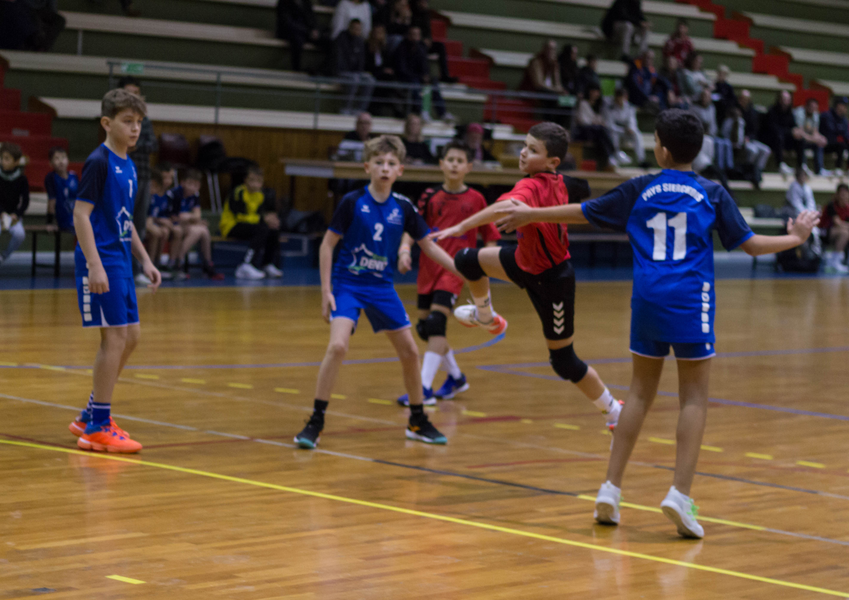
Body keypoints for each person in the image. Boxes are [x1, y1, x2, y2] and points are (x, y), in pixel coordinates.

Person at [493, 108, 820, 539]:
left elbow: (582, 212)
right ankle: (679, 495)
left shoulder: (640, 187)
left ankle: (610, 490)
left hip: (648, 298)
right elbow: (752, 246)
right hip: (690, 301)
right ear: (696, 150)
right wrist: (796, 238)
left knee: (639, 394)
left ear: (661, 148)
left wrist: (531, 215)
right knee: (694, 398)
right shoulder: (712, 192)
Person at [431, 122, 623, 433]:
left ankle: (613, 410)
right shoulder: (559, 180)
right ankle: (486, 317)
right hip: (523, 261)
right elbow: (580, 187)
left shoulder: (531, 186)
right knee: (467, 260)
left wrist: (463, 226)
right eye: (524, 145)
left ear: (552, 162)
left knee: (564, 362)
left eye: (533, 150)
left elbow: (505, 206)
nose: (523, 153)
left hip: (553, 281)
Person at [292, 135, 459, 449]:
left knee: (410, 352)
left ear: (400, 170)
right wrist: (326, 291)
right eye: (379, 162)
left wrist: (460, 269)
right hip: (349, 285)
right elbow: (327, 246)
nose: (385, 168)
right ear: (367, 167)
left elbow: (428, 246)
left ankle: (417, 420)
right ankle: (315, 421)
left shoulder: (403, 207)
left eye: (391, 163)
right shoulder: (352, 202)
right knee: (338, 346)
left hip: (381, 287)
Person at [67, 88, 162, 453]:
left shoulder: (129, 164)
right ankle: (97, 427)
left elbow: (126, 221)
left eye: (139, 122)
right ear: (107, 123)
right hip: (102, 260)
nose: (135, 129)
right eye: (127, 121)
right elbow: (81, 215)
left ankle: (90, 414)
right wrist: (94, 264)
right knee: (115, 339)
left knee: (131, 336)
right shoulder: (99, 162)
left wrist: (145, 259)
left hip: (121, 261)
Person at [396, 140, 501, 405]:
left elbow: (490, 236)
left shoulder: (477, 199)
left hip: (455, 269)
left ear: (469, 166)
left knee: (436, 324)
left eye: (460, 161)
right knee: (426, 329)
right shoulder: (429, 195)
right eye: (450, 160)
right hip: (428, 268)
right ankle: (456, 377)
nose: (454, 165)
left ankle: (423, 389)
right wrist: (405, 250)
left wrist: (485, 265)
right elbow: (413, 227)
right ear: (442, 164)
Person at [118, 77, 158, 286]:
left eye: (136, 93)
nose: (132, 97)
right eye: (128, 92)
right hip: (123, 177)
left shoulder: (145, 120)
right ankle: (121, 270)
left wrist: (135, 143)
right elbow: (122, 144)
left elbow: (153, 145)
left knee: (140, 226)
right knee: (124, 224)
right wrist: (135, 143)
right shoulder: (117, 118)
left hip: (143, 176)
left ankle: (136, 271)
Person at [220, 165, 283, 280]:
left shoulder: (260, 195)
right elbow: (240, 216)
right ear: (245, 180)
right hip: (231, 226)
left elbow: (261, 215)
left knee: (272, 229)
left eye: (258, 181)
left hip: (249, 225)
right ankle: (246, 265)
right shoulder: (238, 192)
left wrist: (271, 219)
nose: (255, 184)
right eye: (252, 180)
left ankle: (266, 264)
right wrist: (262, 219)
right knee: (261, 229)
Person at [167, 169, 224, 280]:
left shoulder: (195, 195)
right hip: (173, 225)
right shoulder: (175, 194)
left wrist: (188, 217)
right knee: (199, 230)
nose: (192, 187)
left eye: (196, 185)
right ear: (182, 182)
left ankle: (206, 263)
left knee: (203, 230)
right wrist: (191, 218)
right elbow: (174, 217)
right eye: (190, 184)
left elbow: (197, 216)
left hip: (185, 225)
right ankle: (178, 260)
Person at [393, 26, 449, 121]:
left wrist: (426, 76)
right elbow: (402, 69)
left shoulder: (421, 48)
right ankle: (421, 111)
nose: (415, 37)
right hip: (405, 77)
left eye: (417, 35)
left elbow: (424, 66)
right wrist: (419, 76)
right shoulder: (401, 48)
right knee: (416, 85)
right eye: (413, 34)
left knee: (433, 83)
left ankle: (442, 113)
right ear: (408, 36)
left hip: (418, 77)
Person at [144, 166, 181, 280]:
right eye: (165, 177)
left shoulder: (169, 195)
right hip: (134, 227)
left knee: (165, 231)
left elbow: (151, 217)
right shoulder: (146, 195)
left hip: (148, 225)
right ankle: (148, 266)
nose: (167, 181)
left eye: (170, 178)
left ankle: (164, 264)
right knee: (157, 232)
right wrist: (155, 224)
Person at [333, 18, 375, 115]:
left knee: (370, 80)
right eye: (354, 28)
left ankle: (360, 109)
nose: (356, 31)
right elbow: (338, 60)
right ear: (349, 28)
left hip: (355, 73)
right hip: (342, 72)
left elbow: (361, 62)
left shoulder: (360, 41)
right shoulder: (341, 39)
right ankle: (345, 108)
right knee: (354, 79)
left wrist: (359, 72)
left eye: (359, 29)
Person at [722, 105, 771, 188]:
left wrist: (747, 137)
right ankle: (749, 172)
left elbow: (752, 132)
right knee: (753, 151)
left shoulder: (744, 120)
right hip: (736, 144)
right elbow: (725, 135)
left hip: (748, 140)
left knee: (766, 150)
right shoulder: (728, 122)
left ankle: (757, 172)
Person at [691, 89, 733, 179]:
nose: (705, 98)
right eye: (704, 96)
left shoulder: (712, 108)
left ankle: (729, 168)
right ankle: (719, 169)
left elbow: (713, 124)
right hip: (700, 134)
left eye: (708, 97)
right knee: (717, 143)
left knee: (726, 143)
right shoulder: (694, 108)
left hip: (711, 134)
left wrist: (712, 132)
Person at [411, 0, 457, 83]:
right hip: (415, 41)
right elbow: (412, 29)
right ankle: (425, 76)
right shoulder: (413, 13)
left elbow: (427, 30)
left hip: (425, 41)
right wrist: (422, 39)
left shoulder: (426, 14)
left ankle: (444, 75)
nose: (424, 4)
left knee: (440, 46)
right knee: (421, 47)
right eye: (422, 2)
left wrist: (428, 39)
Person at [573, 85, 617, 170]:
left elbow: (601, 120)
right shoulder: (583, 104)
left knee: (603, 134)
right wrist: (595, 122)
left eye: (597, 92)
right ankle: (613, 155)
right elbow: (583, 121)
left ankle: (609, 158)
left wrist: (598, 122)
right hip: (585, 131)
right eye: (593, 91)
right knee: (602, 131)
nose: (595, 94)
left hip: (596, 131)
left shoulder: (599, 106)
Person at [0, 142, 28, 268]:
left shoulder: (22, 179)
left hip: (13, 216)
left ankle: (3, 256)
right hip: (0, 214)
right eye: (2, 158)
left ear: (16, 162)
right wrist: (1, 213)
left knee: (20, 234)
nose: (3, 161)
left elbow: (25, 201)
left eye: (7, 159)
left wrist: (16, 214)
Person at [761, 90, 799, 177]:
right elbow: (774, 129)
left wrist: (796, 131)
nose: (786, 102)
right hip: (771, 139)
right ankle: (780, 164)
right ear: (779, 100)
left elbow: (793, 126)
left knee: (800, 138)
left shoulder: (790, 112)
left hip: (785, 139)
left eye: (788, 100)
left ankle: (801, 166)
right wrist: (790, 132)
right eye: (784, 99)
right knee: (779, 136)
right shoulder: (772, 111)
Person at [605, 87, 646, 167]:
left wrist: (630, 128)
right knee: (613, 135)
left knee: (637, 134)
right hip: (616, 131)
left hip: (626, 132)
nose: (620, 100)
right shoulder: (610, 108)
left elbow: (632, 121)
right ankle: (615, 156)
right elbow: (609, 124)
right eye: (619, 98)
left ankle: (641, 160)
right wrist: (622, 129)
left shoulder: (630, 107)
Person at [275, 0, 320, 72]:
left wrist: (314, 29)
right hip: (290, 32)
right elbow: (287, 23)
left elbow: (312, 17)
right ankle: (297, 69)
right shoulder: (284, 2)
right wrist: (307, 32)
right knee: (297, 40)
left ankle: (324, 68)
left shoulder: (306, 2)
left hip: (306, 32)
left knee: (326, 39)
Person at [44, 146, 78, 232]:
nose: (61, 161)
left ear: (68, 160)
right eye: (57, 158)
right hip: (62, 219)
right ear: (50, 163)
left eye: (63, 157)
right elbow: (52, 201)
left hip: (76, 217)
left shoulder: (74, 176)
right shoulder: (51, 177)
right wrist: (50, 222)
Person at [365, 24, 396, 115]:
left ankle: (383, 106)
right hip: (370, 72)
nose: (378, 35)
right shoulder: (367, 47)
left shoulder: (384, 49)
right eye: (377, 32)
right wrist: (381, 70)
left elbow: (388, 63)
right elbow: (366, 65)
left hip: (381, 74)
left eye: (381, 33)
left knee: (389, 77)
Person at [793, 97, 829, 176]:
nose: (813, 110)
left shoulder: (815, 114)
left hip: (808, 139)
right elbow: (800, 132)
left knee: (819, 144)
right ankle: (803, 167)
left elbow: (815, 132)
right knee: (801, 141)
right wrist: (814, 139)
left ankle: (819, 170)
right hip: (796, 139)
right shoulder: (800, 113)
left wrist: (821, 138)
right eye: (811, 107)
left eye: (815, 108)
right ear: (806, 106)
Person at [820, 183, 849, 272]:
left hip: (838, 232)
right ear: (837, 194)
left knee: (845, 232)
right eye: (842, 194)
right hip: (824, 232)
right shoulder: (831, 205)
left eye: (846, 194)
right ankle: (835, 262)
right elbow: (838, 223)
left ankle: (844, 260)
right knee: (845, 233)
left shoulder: (847, 208)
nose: (844, 197)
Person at [819, 97, 849, 177]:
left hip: (836, 143)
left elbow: (845, 134)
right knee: (840, 144)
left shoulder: (844, 119)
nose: (845, 108)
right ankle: (838, 168)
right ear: (838, 105)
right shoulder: (827, 115)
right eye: (844, 106)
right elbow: (831, 132)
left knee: (843, 144)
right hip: (825, 143)